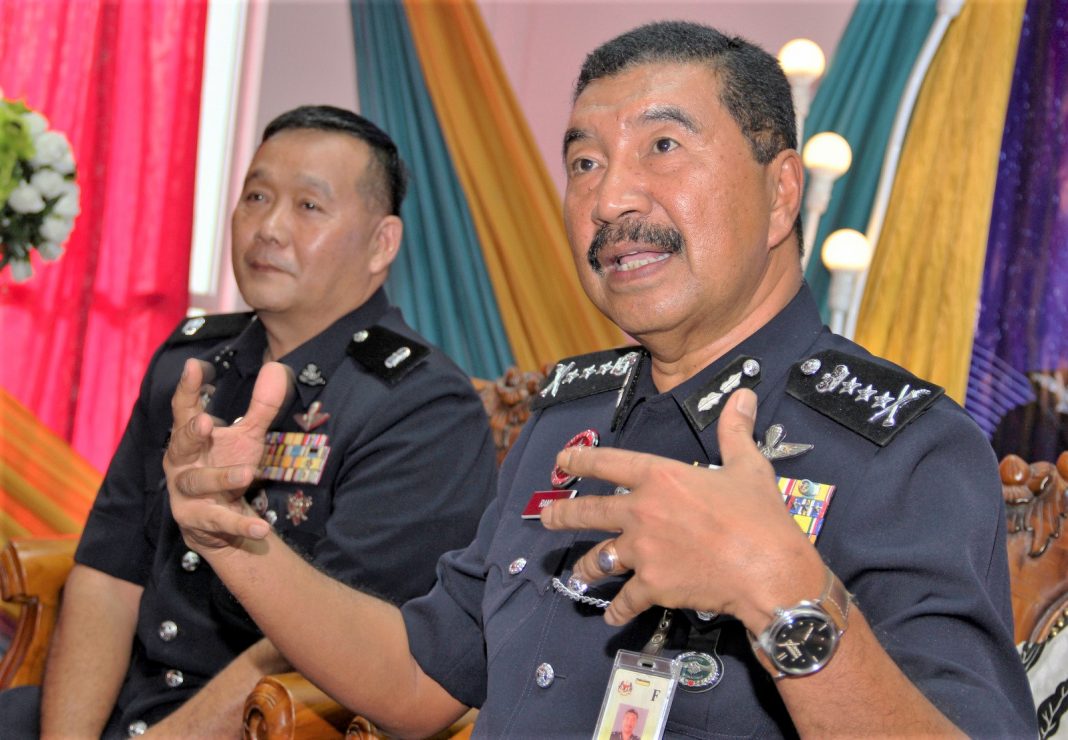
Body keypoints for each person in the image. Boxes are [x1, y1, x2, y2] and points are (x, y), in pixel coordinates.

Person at [162, 23, 1037, 738]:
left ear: (780, 195)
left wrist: (782, 593)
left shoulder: (906, 449)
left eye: (664, 146)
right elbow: (419, 680)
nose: (610, 198)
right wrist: (237, 540)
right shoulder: (567, 416)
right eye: (585, 162)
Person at [0, 105, 498, 738]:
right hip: (123, 710)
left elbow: (330, 651)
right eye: (257, 197)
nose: (269, 228)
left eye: (309, 206)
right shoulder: (191, 365)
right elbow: (108, 571)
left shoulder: (420, 409)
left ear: (382, 244)